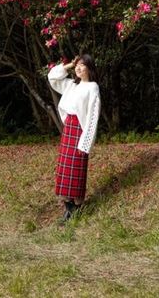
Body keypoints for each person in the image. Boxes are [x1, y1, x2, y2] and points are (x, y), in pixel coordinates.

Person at [48, 54, 100, 223]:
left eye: (82, 65)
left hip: (80, 130)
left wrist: (86, 142)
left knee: (76, 169)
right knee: (65, 170)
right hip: (68, 129)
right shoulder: (71, 85)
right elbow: (52, 77)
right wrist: (69, 65)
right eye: (77, 65)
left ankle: (77, 208)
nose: (78, 68)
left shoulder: (92, 87)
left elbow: (93, 116)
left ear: (89, 68)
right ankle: (68, 208)